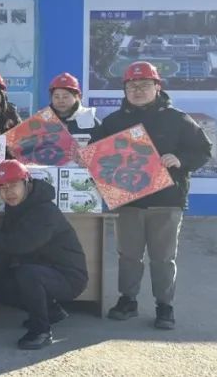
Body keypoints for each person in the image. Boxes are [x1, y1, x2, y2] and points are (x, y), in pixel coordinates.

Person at [91, 61, 213, 330]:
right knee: (128, 255)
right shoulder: (113, 121)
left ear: (158, 87)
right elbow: (95, 152)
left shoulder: (177, 118)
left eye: (144, 85)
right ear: (124, 89)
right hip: (129, 201)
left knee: (163, 258)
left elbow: (203, 150)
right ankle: (128, 300)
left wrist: (180, 159)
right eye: (131, 86)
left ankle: (165, 306)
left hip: (166, 201)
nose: (137, 90)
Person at [0, 160, 88, 350]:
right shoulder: (15, 208)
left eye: (13, 185)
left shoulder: (45, 211)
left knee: (27, 274)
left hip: (69, 278)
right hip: (44, 271)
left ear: (27, 182)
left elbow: (19, 245)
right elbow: (4, 251)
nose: (8, 192)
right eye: (2, 188)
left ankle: (41, 331)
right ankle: (51, 311)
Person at [47, 72, 99, 142]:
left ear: (78, 97)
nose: (60, 101)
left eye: (65, 97)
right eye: (56, 97)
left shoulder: (90, 121)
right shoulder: (43, 120)